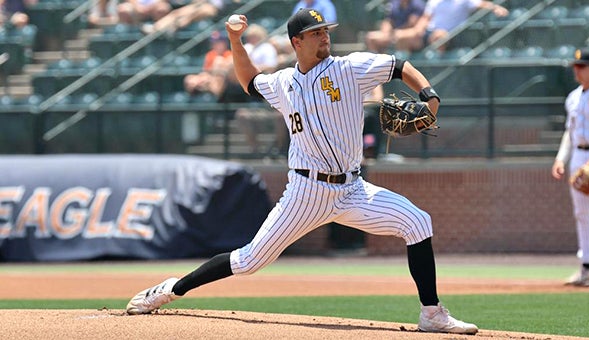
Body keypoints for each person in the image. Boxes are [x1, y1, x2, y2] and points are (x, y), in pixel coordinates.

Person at [126, 8, 478, 335]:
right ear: (297, 42)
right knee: (248, 260)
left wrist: (430, 95)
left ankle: (431, 314)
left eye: (325, 30)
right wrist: (235, 42)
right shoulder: (282, 83)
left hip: (353, 190)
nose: (324, 36)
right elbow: (249, 81)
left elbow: (399, 65)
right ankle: (170, 289)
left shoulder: (348, 68)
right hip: (305, 193)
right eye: (316, 32)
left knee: (417, 222)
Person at [552, 47, 589, 287]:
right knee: (582, 213)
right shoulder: (573, 97)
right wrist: (561, 158)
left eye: (582, 67)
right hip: (580, 156)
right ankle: (587, 268)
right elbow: (569, 134)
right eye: (575, 67)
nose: (577, 71)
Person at [233, 24, 289, 158]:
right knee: (242, 115)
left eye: (254, 36)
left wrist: (250, 71)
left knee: (281, 116)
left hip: (271, 102)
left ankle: (279, 150)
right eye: (249, 36)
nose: (251, 39)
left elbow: (270, 68)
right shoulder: (247, 48)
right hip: (256, 102)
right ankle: (255, 150)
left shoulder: (267, 48)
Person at [395, 0, 508, 52]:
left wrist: (496, 8)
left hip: (452, 36)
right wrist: (416, 31)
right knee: (401, 38)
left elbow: (482, 4)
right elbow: (425, 18)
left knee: (439, 35)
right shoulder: (434, 1)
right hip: (429, 33)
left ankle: (436, 67)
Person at [183, 30, 232, 96]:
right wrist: (201, 79)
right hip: (211, 79)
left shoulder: (229, 54)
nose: (215, 45)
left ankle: (215, 92)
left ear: (224, 43)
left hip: (226, 82)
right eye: (214, 43)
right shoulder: (210, 54)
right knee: (190, 79)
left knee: (218, 61)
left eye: (218, 42)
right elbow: (206, 71)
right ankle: (197, 92)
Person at [141, 0, 224, 35]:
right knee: (176, 13)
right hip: (198, 7)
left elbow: (217, 6)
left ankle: (179, 24)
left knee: (205, 9)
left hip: (213, 10)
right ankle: (156, 28)